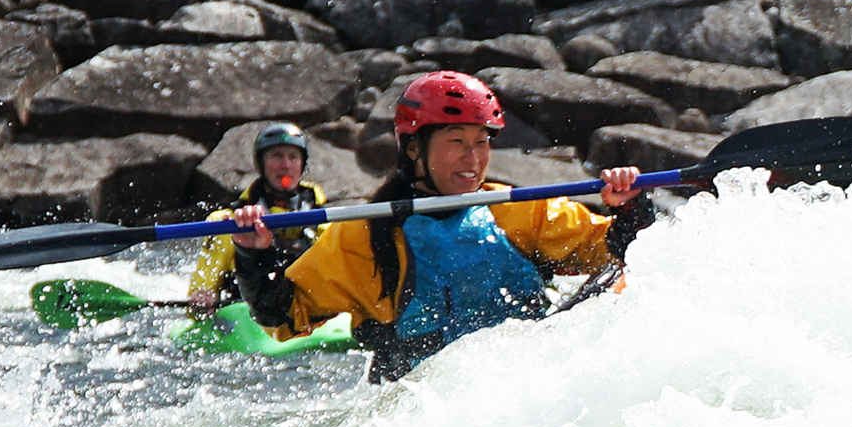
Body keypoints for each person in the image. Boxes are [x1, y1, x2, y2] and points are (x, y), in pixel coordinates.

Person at [230, 70, 653, 383]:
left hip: (530, 383)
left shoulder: (519, 211)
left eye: (481, 142)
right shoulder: (364, 234)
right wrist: (254, 253)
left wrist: (630, 207)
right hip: (426, 407)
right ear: (414, 148)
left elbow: (626, 255)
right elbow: (281, 316)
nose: (473, 158)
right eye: (456, 142)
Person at [187, 121, 327, 313]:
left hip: (306, 302)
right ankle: (205, 297)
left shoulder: (322, 216)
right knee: (223, 223)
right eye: (277, 156)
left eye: (293, 157)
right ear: (261, 163)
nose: (286, 165)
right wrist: (200, 299)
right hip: (249, 304)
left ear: (302, 165)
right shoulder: (234, 218)